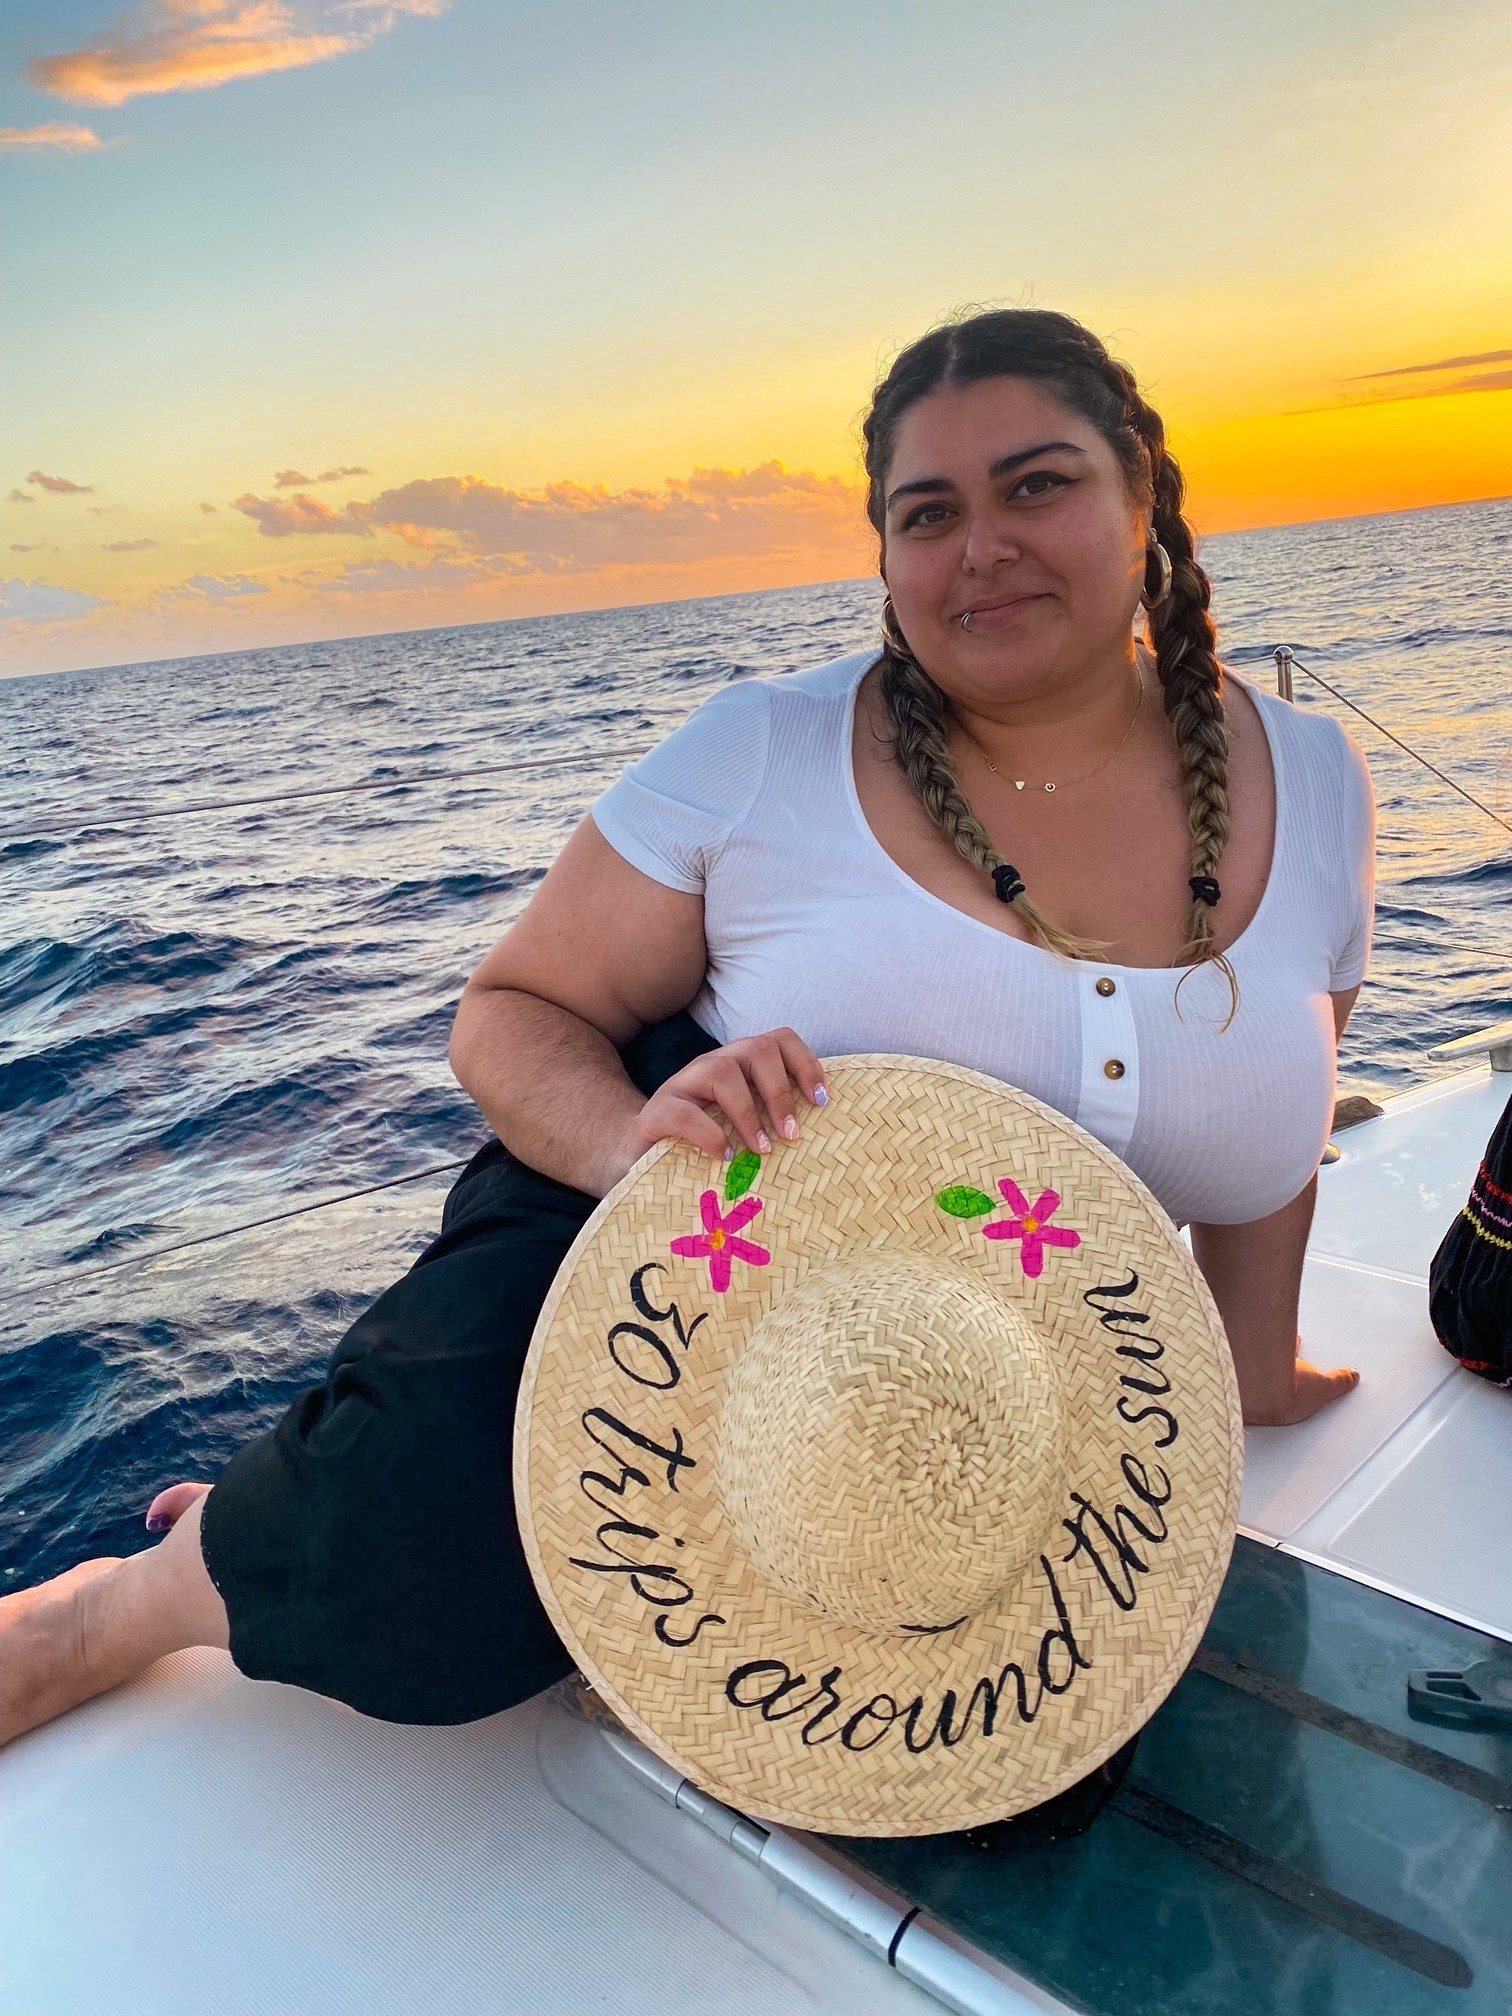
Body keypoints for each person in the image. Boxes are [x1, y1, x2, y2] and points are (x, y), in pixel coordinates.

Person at [0, 307, 1376, 1750]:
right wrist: (627, 1143)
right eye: (930, 512)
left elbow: (1272, 1121)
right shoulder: (763, 752)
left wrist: (1247, 1373)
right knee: (412, 1591)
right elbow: (510, 1012)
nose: (983, 545)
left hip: (967, 1385)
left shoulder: (1314, 779)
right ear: (888, 558)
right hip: (674, 1244)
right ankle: (130, 1598)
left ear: (1143, 494)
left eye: (1038, 483)